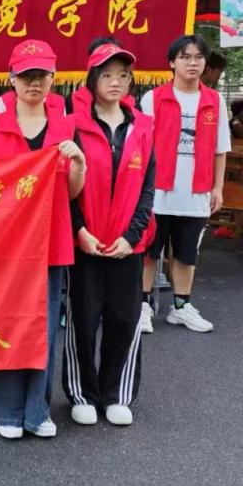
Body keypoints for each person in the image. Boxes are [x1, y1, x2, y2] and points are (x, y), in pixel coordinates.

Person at [0, 39, 86, 439]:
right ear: (12, 79)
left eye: (42, 76)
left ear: (53, 79)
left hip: (50, 242)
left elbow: (72, 194)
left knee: (42, 327)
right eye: (26, 76)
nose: (34, 83)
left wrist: (79, 163)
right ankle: (2, 411)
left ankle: (37, 410)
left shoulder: (66, 129)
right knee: (1, 323)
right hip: (3, 246)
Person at [64, 42, 155, 427]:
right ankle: (83, 393)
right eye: (107, 75)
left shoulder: (143, 127)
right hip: (86, 243)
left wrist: (132, 237)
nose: (115, 82)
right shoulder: (73, 125)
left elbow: (148, 187)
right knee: (83, 320)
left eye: (122, 75)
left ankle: (117, 393)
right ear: (92, 80)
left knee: (124, 318)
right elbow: (64, 187)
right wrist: (79, 231)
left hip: (126, 246)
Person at [139, 35, 231, 335]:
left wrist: (217, 188)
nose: (193, 63)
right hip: (157, 191)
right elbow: (141, 147)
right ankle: (142, 306)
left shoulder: (215, 100)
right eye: (185, 57)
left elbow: (220, 149)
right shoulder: (153, 98)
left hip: (196, 191)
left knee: (186, 254)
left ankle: (181, 307)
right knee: (149, 252)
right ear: (172, 62)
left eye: (198, 57)